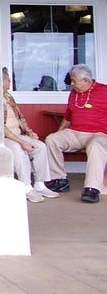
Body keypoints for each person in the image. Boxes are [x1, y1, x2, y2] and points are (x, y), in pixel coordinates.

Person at [44, 64, 107, 203]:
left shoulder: (104, 91)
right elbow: (67, 117)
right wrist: (58, 133)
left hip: (99, 134)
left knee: (97, 146)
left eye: (74, 81)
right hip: (75, 132)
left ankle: (92, 188)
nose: (72, 84)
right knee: (52, 139)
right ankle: (59, 180)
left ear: (86, 80)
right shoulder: (74, 94)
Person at [2, 68, 58, 202]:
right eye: (8, 79)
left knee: (40, 147)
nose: (10, 81)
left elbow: (20, 118)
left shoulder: (8, 97)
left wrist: (29, 132)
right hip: (4, 138)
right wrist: (22, 142)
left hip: (18, 135)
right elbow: (1, 128)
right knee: (19, 149)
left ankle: (40, 184)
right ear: (1, 81)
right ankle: (26, 187)